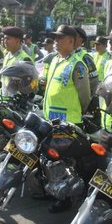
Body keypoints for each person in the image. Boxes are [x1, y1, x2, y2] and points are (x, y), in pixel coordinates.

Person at [42, 24, 90, 213]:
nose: (56, 41)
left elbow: (84, 97)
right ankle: (53, 191)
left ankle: (66, 199)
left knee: (66, 164)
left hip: (67, 123)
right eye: (55, 38)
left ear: (71, 41)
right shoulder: (55, 60)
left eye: (59, 38)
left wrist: (75, 116)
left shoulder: (78, 64)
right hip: (50, 119)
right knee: (50, 160)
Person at [73, 26, 99, 94]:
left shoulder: (85, 58)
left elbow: (93, 82)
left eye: (73, 35)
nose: (70, 38)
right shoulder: (62, 55)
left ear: (80, 39)